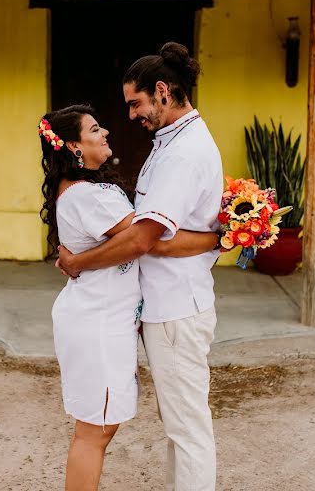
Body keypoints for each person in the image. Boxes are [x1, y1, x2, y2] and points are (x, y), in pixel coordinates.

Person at [57, 42, 223, 491]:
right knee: (180, 430)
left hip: (175, 309)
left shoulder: (184, 152)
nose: (130, 115)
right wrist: (217, 237)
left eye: (136, 103)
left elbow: (149, 240)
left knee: (187, 431)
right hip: (162, 308)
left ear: (163, 92)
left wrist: (77, 262)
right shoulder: (170, 143)